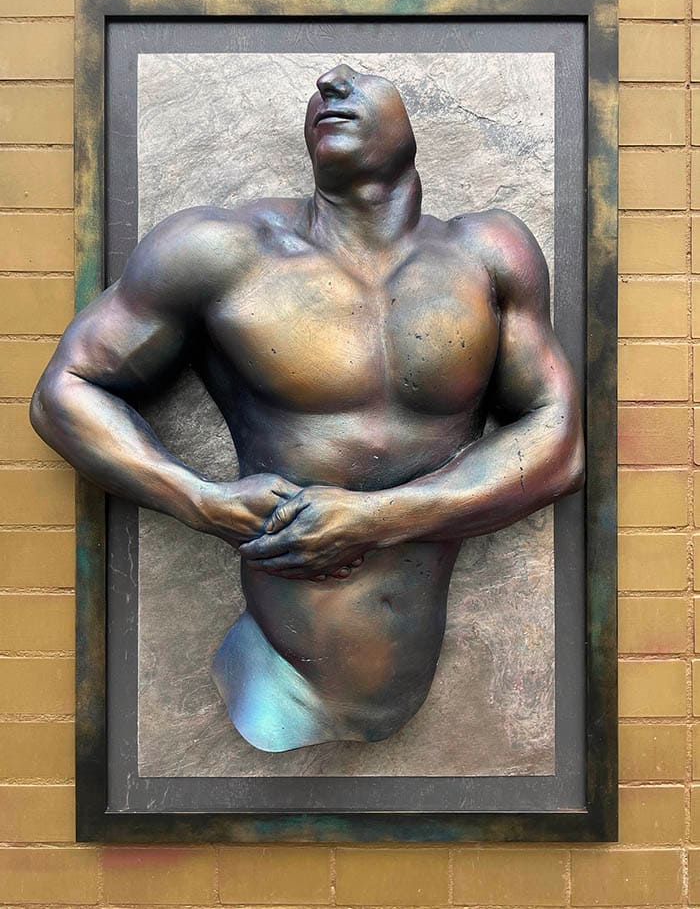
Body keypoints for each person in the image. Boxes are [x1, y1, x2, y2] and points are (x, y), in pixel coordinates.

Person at [30, 63, 584, 752]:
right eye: (323, 85)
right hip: (278, 671)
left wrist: (378, 518)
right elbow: (64, 392)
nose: (331, 80)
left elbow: (559, 444)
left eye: (365, 78)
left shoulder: (490, 253)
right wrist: (199, 501)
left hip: (406, 666)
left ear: (413, 127)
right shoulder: (219, 251)